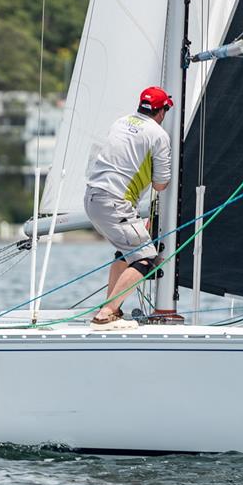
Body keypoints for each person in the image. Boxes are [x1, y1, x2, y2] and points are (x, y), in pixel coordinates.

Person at [84, 86, 173, 330]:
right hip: (115, 203)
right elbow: (161, 184)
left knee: (126, 253)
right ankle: (106, 313)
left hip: (92, 197)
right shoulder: (159, 135)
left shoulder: (120, 122)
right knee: (146, 259)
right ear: (162, 111)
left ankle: (111, 310)